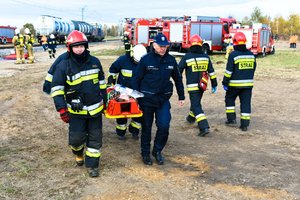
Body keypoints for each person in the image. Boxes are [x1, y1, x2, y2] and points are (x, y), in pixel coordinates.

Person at [50, 30, 107, 177]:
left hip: (95, 110)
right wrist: (62, 109)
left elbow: (102, 83)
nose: (79, 49)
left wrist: (105, 101)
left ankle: (92, 166)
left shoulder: (95, 62)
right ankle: (78, 153)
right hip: (76, 113)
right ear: (70, 47)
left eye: (82, 45)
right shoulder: (63, 66)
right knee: (76, 140)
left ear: (86, 46)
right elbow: (57, 89)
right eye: (76, 46)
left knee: (95, 139)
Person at [132, 33, 185, 165]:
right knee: (146, 128)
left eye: (165, 46)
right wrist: (135, 97)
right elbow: (136, 79)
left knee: (164, 125)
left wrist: (181, 95)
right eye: (160, 46)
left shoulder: (171, 61)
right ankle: (145, 154)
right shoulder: (146, 60)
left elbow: (178, 79)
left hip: (163, 99)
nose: (163, 49)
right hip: (147, 100)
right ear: (154, 45)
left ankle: (157, 150)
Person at [179, 34, 218, 136]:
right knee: (196, 103)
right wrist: (214, 84)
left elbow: (179, 70)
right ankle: (191, 118)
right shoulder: (206, 57)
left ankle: (204, 127)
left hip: (192, 87)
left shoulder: (187, 57)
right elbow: (211, 72)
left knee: (196, 105)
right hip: (202, 85)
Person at [107, 44, 147, 140]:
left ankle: (134, 131)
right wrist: (110, 83)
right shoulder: (123, 60)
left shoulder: (145, 62)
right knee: (122, 114)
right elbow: (112, 70)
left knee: (139, 114)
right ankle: (121, 132)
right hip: (123, 92)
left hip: (138, 92)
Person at [222, 32, 256, 131]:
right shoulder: (251, 55)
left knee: (229, 99)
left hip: (234, 85)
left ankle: (231, 119)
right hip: (248, 85)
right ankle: (244, 125)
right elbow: (254, 68)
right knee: (245, 103)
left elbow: (229, 71)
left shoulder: (233, 55)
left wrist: (225, 82)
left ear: (234, 42)